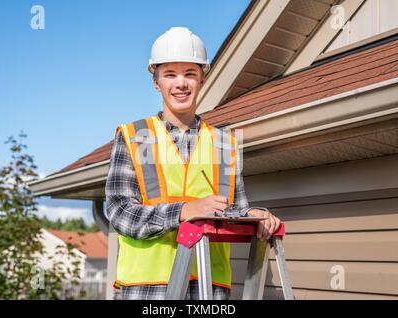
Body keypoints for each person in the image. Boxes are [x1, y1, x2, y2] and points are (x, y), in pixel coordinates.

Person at [105, 27, 281, 300]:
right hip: (149, 287)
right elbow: (120, 213)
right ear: (156, 82)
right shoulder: (135, 137)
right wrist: (184, 211)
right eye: (170, 74)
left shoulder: (224, 145)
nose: (181, 83)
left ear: (202, 80)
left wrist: (257, 217)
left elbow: (234, 211)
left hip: (208, 286)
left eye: (190, 74)